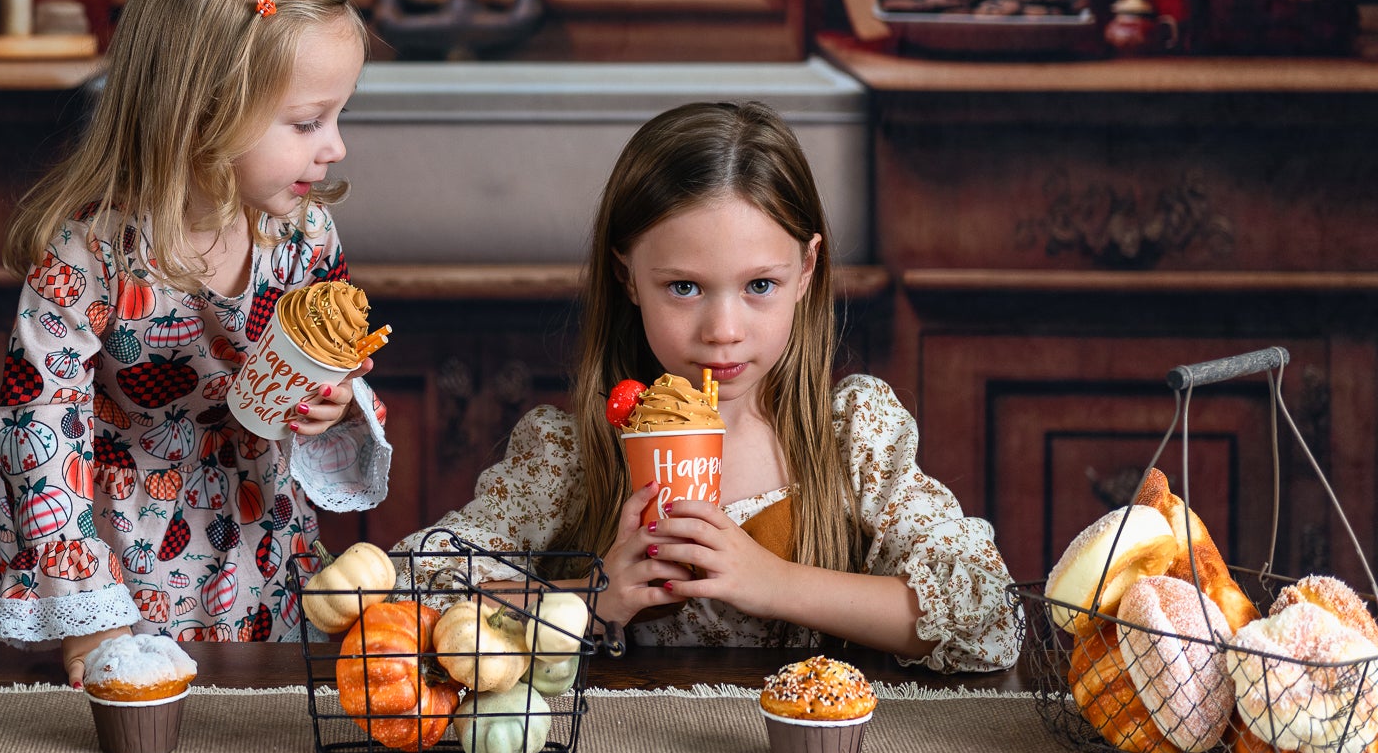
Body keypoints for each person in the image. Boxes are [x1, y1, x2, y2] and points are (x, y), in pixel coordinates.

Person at [402, 101, 1022, 671]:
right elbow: (413, 586)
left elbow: (987, 617)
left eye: (759, 286)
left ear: (805, 270)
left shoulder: (854, 436)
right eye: (684, 287)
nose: (723, 332)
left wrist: (771, 580)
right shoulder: (571, 454)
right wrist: (592, 598)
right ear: (627, 276)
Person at [0, 0, 390, 683]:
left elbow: (327, 364)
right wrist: (88, 617)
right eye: (308, 122)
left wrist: (336, 404)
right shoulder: (91, 252)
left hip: (247, 539)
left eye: (336, 117)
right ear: (203, 110)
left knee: (235, 729)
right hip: (100, 539)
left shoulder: (304, 235)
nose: (334, 145)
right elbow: (37, 423)